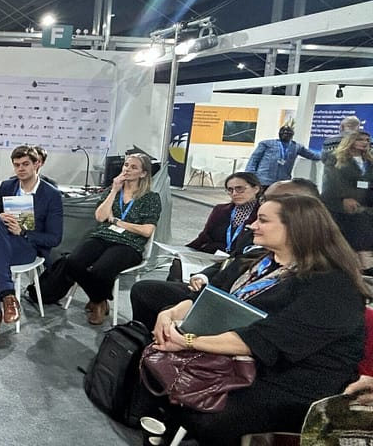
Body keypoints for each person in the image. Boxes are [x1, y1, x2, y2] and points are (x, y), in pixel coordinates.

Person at [148, 195, 367, 445]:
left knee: (206, 414)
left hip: (297, 381)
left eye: (263, 220)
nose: (252, 225)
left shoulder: (331, 286)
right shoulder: (259, 260)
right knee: (158, 367)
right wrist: (169, 314)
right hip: (247, 361)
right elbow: (209, 295)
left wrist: (187, 341)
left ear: (296, 228)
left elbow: (265, 339)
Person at [130, 179, 320, 330]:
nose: (254, 225)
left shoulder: (315, 276)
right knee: (155, 294)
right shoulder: (248, 235)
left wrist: (188, 340)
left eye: (240, 189)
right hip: (220, 290)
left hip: (235, 318)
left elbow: (265, 335)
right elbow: (230, 263)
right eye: (230, 190)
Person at [0, 146, 63, 341]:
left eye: (25, 164)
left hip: (27, 247)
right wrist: (0, 218)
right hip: (2, 242)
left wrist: (23, 232)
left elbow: (54, 238)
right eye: (16, 165)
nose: (20, 169)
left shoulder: (51, 194)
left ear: (37, 164)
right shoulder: (7, 186)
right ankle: (8, 296)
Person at [63, 153, 161, 325]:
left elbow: (147, 230)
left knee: (100, 270)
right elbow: (100, 217)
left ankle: (98, 304)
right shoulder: (113, 191)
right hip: (103, 236)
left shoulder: (151, 198)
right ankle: (99, 299)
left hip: (129, 244)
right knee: (72, 262)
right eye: (126, 165)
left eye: (133, 167)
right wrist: (114, 190)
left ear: (143, 173)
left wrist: (117, 222)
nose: (127, 169)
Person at [163, 172, 261, 282]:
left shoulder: (261, 214)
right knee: (178, 263)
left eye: (240, 189)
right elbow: (204, 237)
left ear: (255, 189)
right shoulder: (221, 210)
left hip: (240, 261)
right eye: (230, 190)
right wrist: (184, 251)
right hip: (214, 256)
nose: (234, 193)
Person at [321, 131, 373, 271]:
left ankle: (366, 271)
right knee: (347, 244)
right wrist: (343, 198)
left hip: (365, 207)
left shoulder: (369, 161)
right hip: (341, 207)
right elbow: (332, 182)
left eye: (367, 140)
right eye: (360, 139)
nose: (365, 143)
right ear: (350, 141)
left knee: (365, 244)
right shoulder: (335, 159)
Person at [245, 125, 320, 187]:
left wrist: (325, 155)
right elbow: (254, 160)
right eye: (283, 132)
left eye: (288, 133)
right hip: (263, 181)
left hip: (282, 183)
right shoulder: (266, 144)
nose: (285, 134)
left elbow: (312, 155)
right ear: (279, 134)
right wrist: (250, 177)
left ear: (292, 135)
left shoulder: (297, 147)